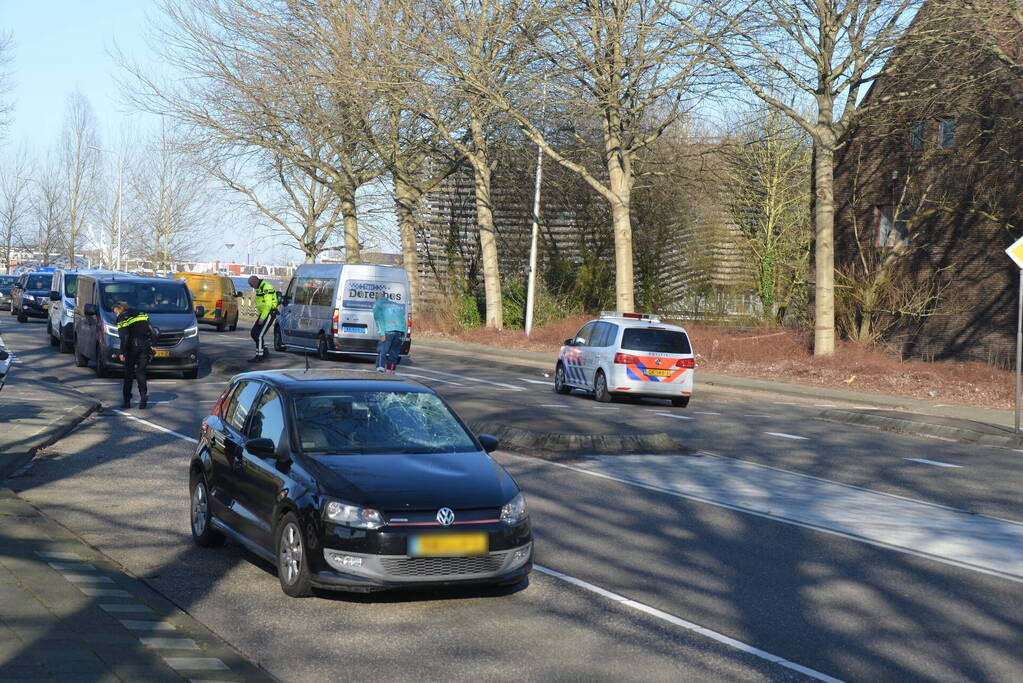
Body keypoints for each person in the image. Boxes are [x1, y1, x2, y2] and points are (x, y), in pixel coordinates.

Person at [113, 301, 155, 409]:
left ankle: (126, 401)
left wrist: (122, 352)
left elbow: (125, 337)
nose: (116, 315)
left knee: (128, 374)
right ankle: (143, 396)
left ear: (120, 310)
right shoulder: (142, 314)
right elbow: (153, 331)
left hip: (132, 347)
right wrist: (153, 344)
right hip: (145, 346)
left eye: (116, 312)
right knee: (141, 373)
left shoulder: (122, 318)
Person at [248, 275, 279, 363]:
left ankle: (260, 356)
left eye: (251, 284)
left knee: (259, 335)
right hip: (263, 314)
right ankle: (264, 350)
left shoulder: (266, 287)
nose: (251, 287)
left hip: (268, 313)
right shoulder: (259, 287)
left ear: (255, 282)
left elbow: (268, 305)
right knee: (254, 333)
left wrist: (262, 318)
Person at [372, 295, 407, 373]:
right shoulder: (396, 305)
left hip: (388, 331)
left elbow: (379, 319)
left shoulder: (377, 305)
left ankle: (380, 370)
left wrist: (382, 334)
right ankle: (391, 371)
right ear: (385, 297)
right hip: (399, 332)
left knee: (382, 351)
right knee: (394, 353)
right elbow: (403, 321)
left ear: (376, 298)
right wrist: (403, 337)